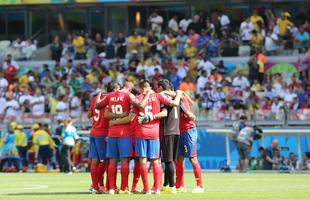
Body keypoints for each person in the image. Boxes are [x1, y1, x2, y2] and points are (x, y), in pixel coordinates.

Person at [96, 82, 152, 194]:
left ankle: (111, 188)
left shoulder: (110, 96)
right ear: (130, 89)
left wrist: (99, 96)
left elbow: (100, 108)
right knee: (124, 161)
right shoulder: (128, 95)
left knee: (112, 161)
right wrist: (148, 94)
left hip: (112, 132)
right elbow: (140, 106)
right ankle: (123, 188)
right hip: (124, 133)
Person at [133, 80, 182, 194]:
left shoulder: (138, 98)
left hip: (141, 132)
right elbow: (174, 104)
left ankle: (146, 189)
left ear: (141, 89)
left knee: (143, 160)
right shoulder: (158, 96)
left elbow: (133, 115)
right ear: (149, 87)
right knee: (156, 161)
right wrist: (179, 94)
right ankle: (157, 189)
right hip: (154, 132)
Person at [175, 92, 204, 193]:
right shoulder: (177, 98)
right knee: (179, 158)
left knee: (192, 158)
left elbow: (191, 114)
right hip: (179, 131)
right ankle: (180, 186)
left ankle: (200, 186)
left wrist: (189, 114)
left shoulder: (181, 99)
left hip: (188, 130)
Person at [158, 80, 182, 194]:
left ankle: (172, 186)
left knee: (168, 161)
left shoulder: (164, 98)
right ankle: (166, 184)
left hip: (167, 132)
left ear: (161, 88)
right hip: (176, 131)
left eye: (158, 88)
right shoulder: (177, 97)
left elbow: (164, 113)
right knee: (170, 160)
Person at [87, 91, 109, 193]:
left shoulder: (95, 98)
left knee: (94, 161)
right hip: (103, 133)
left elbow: (89, 114)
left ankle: (95, 186)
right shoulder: (110, 98)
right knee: (105, 160)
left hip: (93, 132)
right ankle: (100, 185)